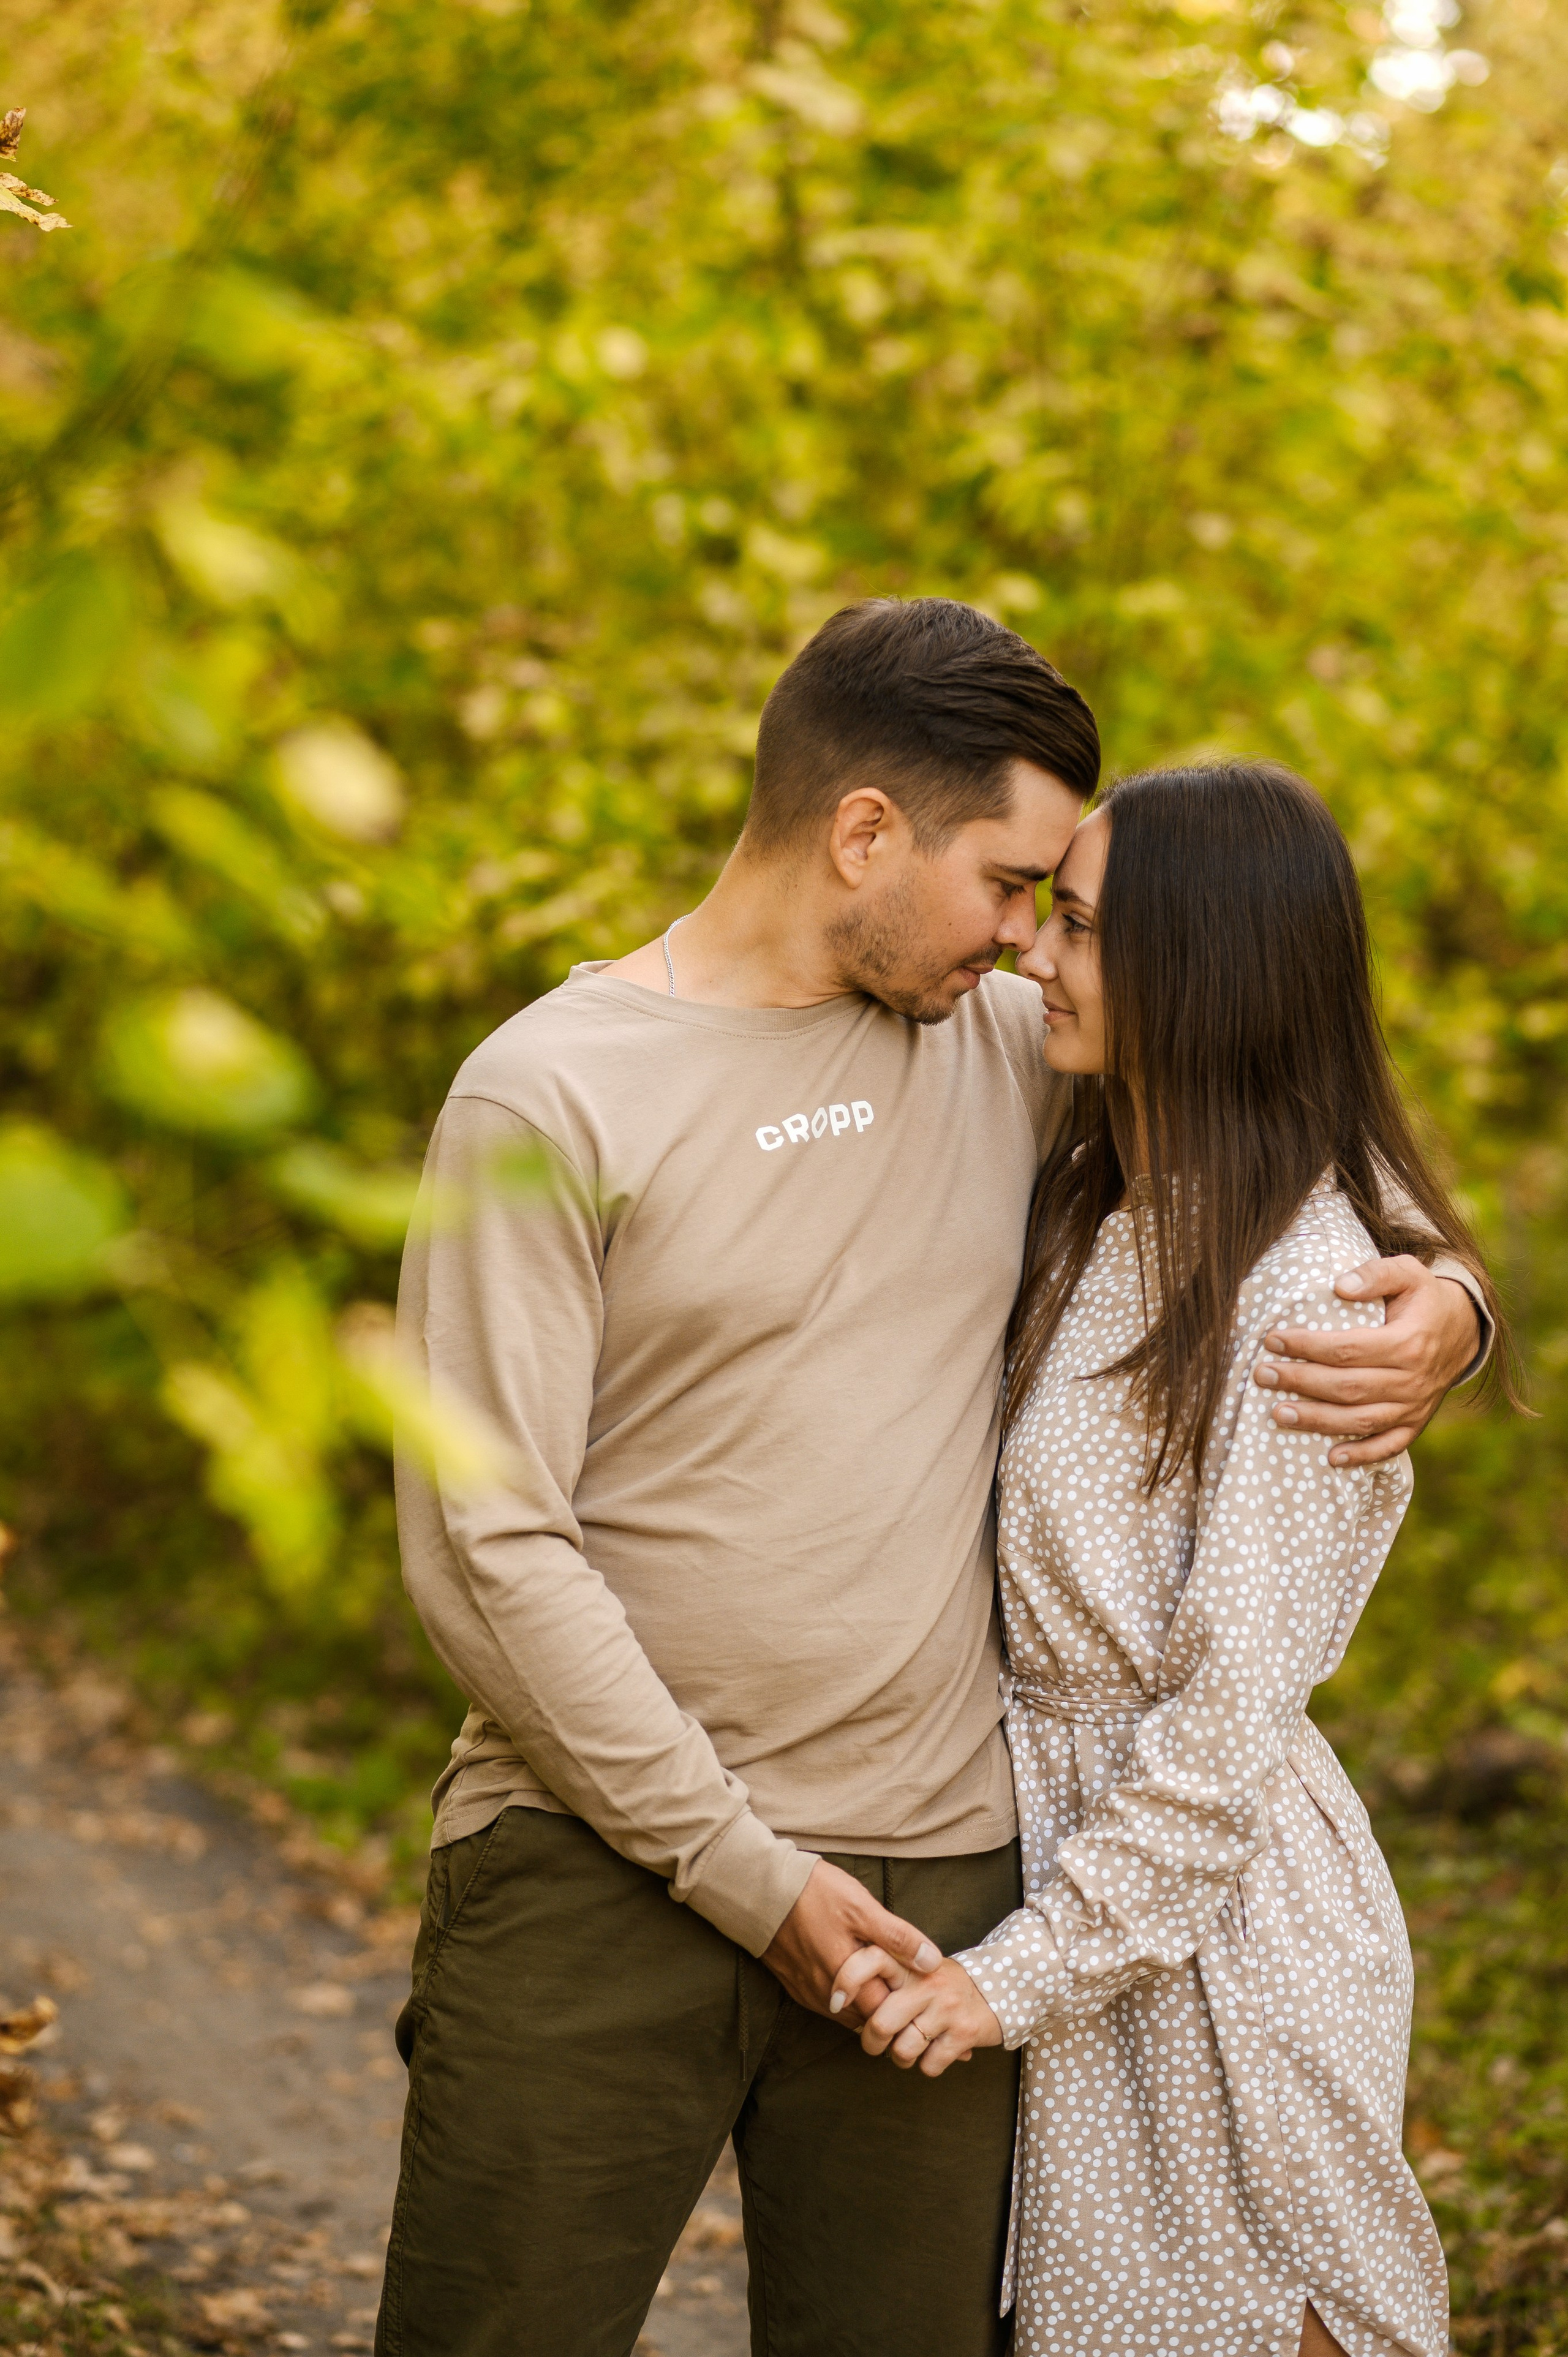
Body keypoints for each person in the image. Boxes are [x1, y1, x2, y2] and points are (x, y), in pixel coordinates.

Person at [376, 606, 1487, 2357]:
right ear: (867, 832)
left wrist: (1449, 1300)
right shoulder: (548, 1098)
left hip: (953, 1877)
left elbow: (1269, 1116)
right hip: (597, 1858)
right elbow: (485, 1544)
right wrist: (740, 1870)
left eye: (1062, 906)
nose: (1034, 940)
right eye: (1012, 883)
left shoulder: (994, 1041)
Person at [831, 761, 1513, 2357]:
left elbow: (1216, 1746)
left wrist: (1014, 1979)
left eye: (1075, 927)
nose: (1033, 958)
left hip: (1217, 1954)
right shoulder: (1111, 1187)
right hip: (1088, 1906)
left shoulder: (1314, 1301)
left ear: (1201, 971)